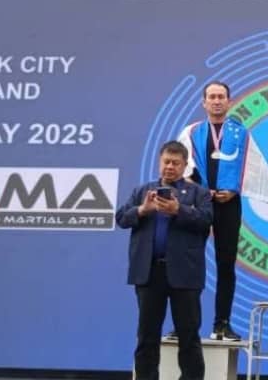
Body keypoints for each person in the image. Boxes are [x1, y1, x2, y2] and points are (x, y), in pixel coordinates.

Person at [115, 141, 213, 380]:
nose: (170, 167)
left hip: (185, 273)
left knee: (188, 336)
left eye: (175, 163)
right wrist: (142, 210)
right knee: (147, 336)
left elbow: (206, 221)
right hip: (149, 273)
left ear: (184, 166)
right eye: (166, 162)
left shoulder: (198, 193)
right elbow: (121, 218)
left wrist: (179, 210)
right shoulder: (142, 191)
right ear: (160, 162)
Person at [174, 81, 246, 341]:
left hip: (230, 203)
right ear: (204, 103)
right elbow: (181, 168)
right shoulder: (191, 132)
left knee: (226, 264)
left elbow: (251, 168)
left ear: (229, 101)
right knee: (190, 263)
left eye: (221, 97)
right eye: (212, 97)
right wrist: (200, 191)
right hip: (198, 203)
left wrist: (235, 189)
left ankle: (222, 324)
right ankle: (184, 326)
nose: (216, 101)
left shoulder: (241, 133)